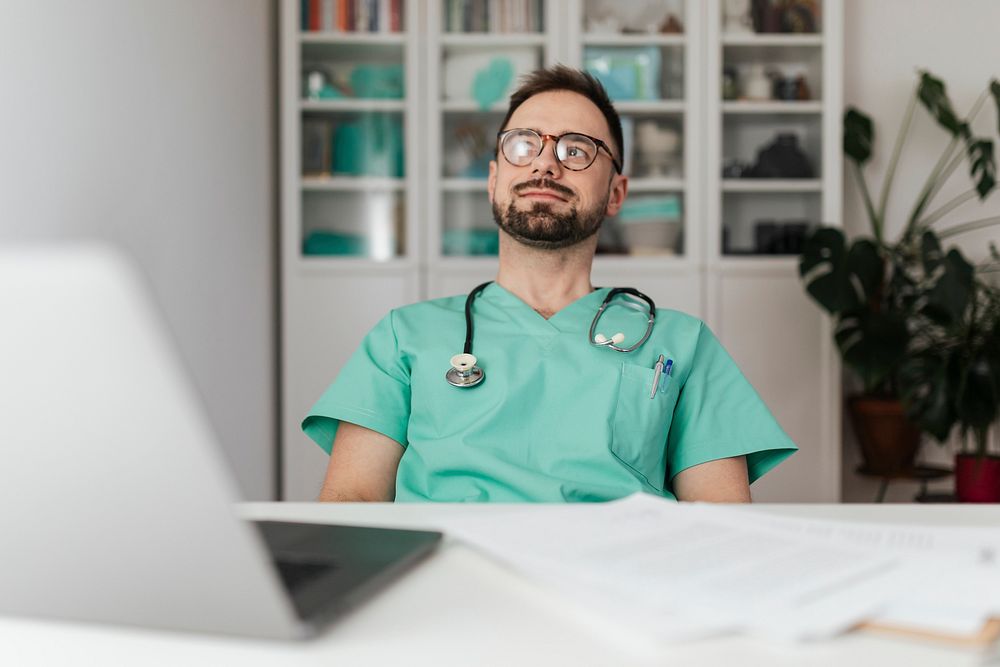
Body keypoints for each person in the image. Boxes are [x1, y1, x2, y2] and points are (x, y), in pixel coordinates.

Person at [303, 65, 796, 503]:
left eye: (577, 149)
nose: (546, 163)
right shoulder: (403, 336)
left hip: (617, 589)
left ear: (615, 192)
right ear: (493, 178)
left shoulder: (682, 344)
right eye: (524, 144)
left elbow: (720, 522)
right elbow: (352, 499)